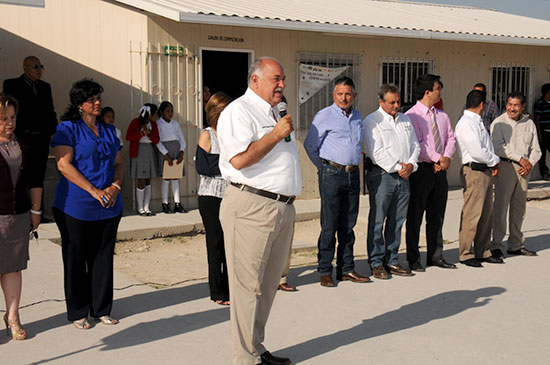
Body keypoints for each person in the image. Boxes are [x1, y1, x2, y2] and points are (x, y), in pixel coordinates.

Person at [218, 57, 300, 365]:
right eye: (275, 79)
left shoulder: (275, 112)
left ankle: (255, 347)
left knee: (267, 286)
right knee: (246, 287)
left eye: (283, 79)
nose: (281, 84)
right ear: (255, 81)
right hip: (251, 206)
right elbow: (238, 160)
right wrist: (275, 135)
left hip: (281, 208)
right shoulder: (238, 111)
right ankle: (244, 358)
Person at [51, 79, 123, 329]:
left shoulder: (109, 130)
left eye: (98, 97)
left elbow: (119, 163)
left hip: (108, 205)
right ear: (79, 103)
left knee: (103, 258)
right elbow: (63, 164)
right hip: (76, 206)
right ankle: (78, 311)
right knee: (76, 259)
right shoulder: (67, 128)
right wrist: (93, 190)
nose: (97, 102)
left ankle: (101, 308)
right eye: (92, 99)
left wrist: (114, 187)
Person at [304, 76, 370, 288]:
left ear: (354, 96)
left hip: (353, 175)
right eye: (340, 94)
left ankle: (346, 269)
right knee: (329, 225)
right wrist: (323, 168)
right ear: (334, 96)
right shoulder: (325, 116)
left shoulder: (359, 117)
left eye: (348, 94)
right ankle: (325, 270)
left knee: (348, 225)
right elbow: (310, 145)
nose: (344, 98)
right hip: (332, 173)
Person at [363, 84, 420, 279]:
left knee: (397, 221)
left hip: (404, 177)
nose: (396, 105)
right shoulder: (372, 121)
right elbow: (375, 152)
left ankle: (392, 260)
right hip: (382, 176)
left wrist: (411, 165)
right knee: (378, 220)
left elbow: (415, 145)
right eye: (392, 102)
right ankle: (376, 262)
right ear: (381, 102)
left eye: (398, 101)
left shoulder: (405, 120)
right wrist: (400, 167)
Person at [0, 94, 42, 340]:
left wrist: (36, 211)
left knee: (13, 268)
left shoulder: (23, 145)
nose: (9, 123)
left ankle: (13, 316)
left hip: (17, 215)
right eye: (3, 118)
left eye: (12, 117)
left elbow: (35, 179)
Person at [405, 74, 457, 272]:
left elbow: (451, 138)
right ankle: (413, 258)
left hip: (440, 170)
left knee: (437, 215)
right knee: (415, 216)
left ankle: (436, 255)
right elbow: (417, 144)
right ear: (428, 92)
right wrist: (438, 158)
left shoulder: (442, 115)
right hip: (421, 171)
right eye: (438, 88)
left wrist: (445, 158)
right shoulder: (412, 116)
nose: (440, 92)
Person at [3, 56, 57, 223]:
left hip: (40, 139)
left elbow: (50, 111)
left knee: (38, 174)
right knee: (20, 174)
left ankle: (38, 212)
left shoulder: (44, 87)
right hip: (22, 138)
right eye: (35, 66)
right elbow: (9, 110)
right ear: (25, 67)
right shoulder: (12, 85)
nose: (39, 69)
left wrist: (51, 131)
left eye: (41, 66)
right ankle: (21, 210)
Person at [490, 91, 541, 258]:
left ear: (523, 106)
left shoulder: (529, 124)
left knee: (519, 209)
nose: (512, 108)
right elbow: (499, 148)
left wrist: (529, 163)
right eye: (510, 105)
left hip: (524, 171)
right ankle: (496, 245)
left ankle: (516, 244)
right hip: (506, 168)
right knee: (501, 208)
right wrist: (521, 159)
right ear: (506, 105)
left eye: (516, 105)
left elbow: (536, 149)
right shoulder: (499, 123)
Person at [455, 89, 502, 268]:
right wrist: (495, 160)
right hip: (474, 170)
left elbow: (487, 145)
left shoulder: (477, 121)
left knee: (486, 213)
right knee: (472, 213)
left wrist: (492, 163)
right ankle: (466, 253)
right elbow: (476, 151)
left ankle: (483, 249)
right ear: (482, 105)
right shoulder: (467, 123)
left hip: (485, 170)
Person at [196, 92, 232, 306]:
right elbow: (203, 167)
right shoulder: (207, 135)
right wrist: (229, 161)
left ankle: (230, 288)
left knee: (231, 244)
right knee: (215, 242)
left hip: (231, 194)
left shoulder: (234, 135)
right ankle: (217, 291)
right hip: (211, 196)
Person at [125, 103, 159, 216]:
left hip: (149, 150)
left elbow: (157, 139)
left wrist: (149, 134)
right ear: (149, 114)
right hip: (139, 151)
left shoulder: (153, 124)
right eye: (155, 114)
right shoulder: (135, 122)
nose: (156, 116)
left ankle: (146, 207)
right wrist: (142, 133)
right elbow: (128, 136)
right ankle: (140, 208)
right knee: (141, 179)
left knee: (148, 179)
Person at [156, 101, 187, 214]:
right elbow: (158, 141)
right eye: (167, 111)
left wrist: (181, 152)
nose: (170, 113)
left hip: (176, 150)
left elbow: (182, 139)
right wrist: (166, 154)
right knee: (166, 178)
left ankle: (177, 203)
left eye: (171, 111)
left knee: (175, 177)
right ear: (162, 112)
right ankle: (165, 203)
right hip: (165, 151)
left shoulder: (175, 124)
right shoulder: (158, 124)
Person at [534, 83, 550, 179]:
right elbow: (537, 119)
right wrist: (539, 134)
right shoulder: (539, 104)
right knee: (542, 154)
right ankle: (544, 173)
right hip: (544, 132)